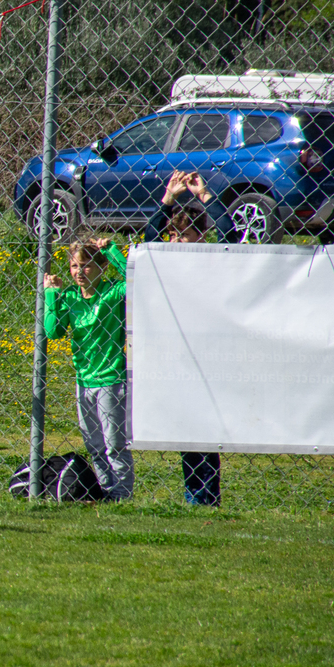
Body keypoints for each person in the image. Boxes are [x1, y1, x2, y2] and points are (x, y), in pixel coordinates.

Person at [145, 169, 223, 506]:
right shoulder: (165, 262)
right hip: (176, 358)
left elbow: (231, 236)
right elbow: (150, 240)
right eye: (173, 235)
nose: (176, 241)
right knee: (187, 432)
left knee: (205, 433)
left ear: (201, 236)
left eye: (185, 234)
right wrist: (168, 200)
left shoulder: (212, 260)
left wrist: (205, 197)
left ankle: (207, 497)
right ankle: (194, 497)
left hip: (208, 356)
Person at [43, 236, 133, 500]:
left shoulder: (113, 292)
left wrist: (112, 251)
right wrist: (52, 294)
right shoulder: (70, 296)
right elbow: (53, 331)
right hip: (83, 380)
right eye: (74, 266)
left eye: (86, 265)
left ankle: (121, 495)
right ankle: (105, 491)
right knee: (94, 445)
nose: (79, 272)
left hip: (111, 378)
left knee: (114, 444)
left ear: (101, 267)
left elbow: (137, 280)